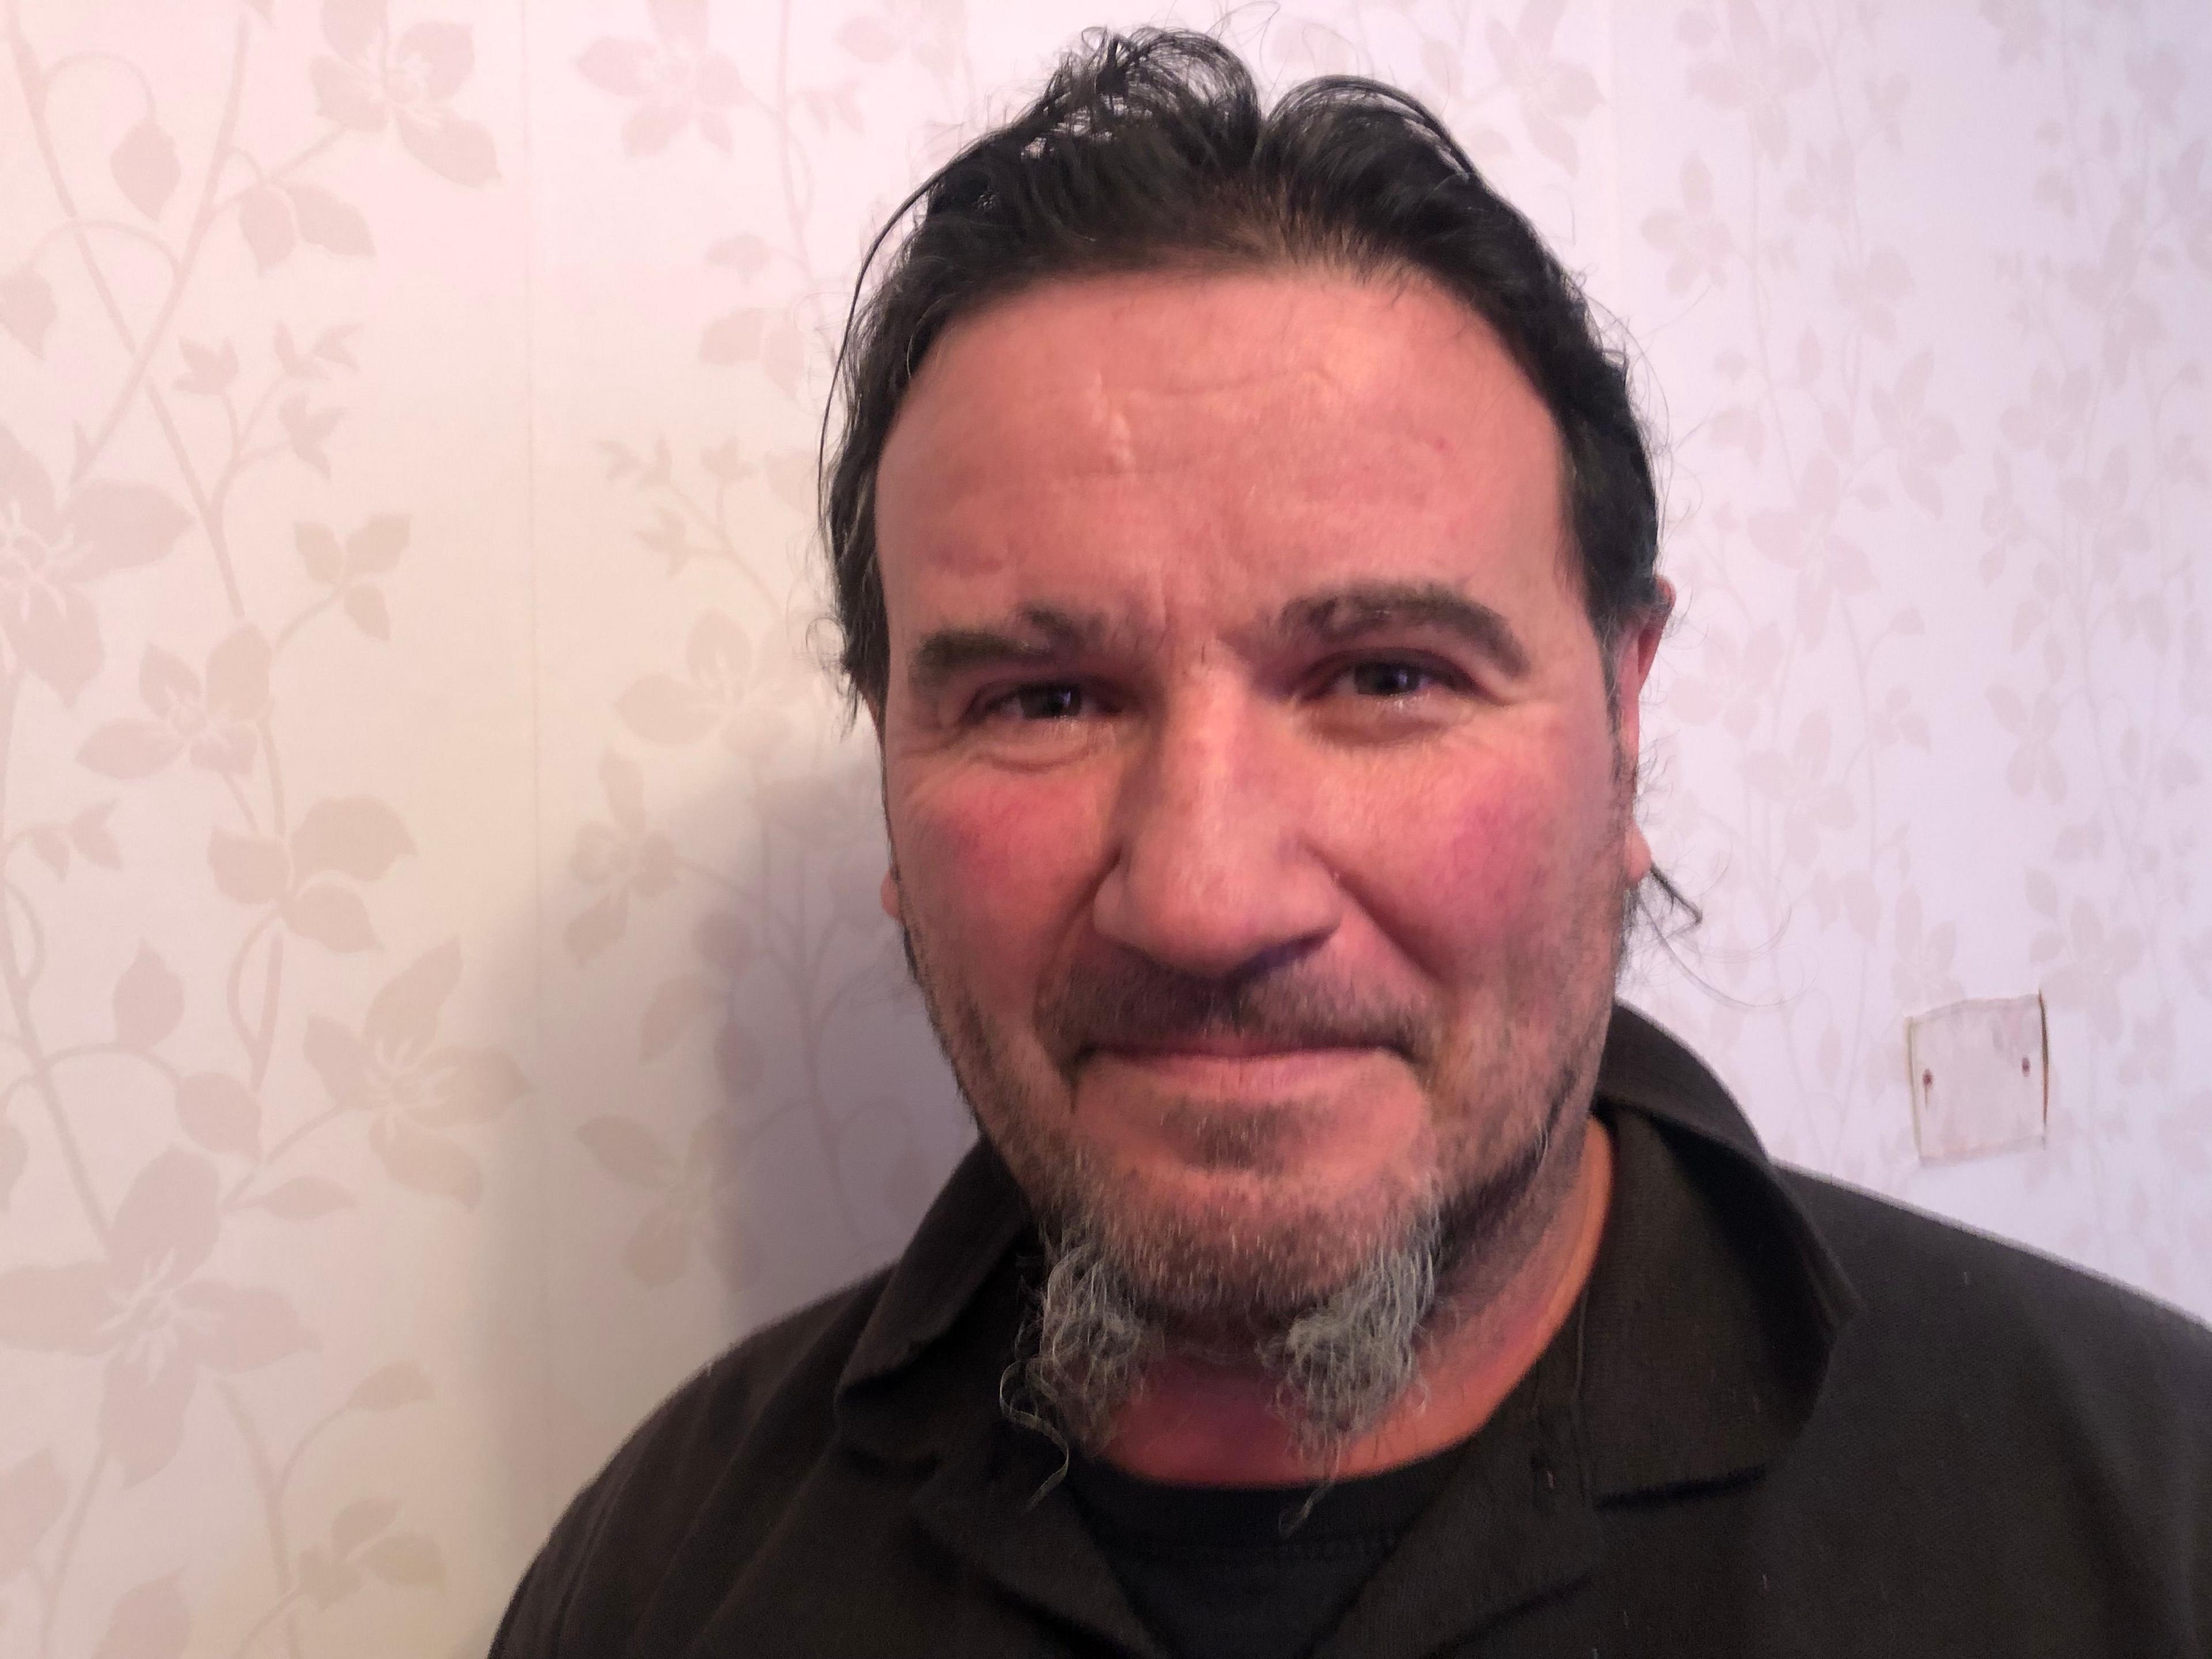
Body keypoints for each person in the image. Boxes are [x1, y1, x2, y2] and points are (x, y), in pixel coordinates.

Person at [490, 29, 2210, 1658]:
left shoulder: (2144, 1522)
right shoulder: (662, 1582)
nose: (1204, 897)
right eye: (1041, 702)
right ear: (890, 778)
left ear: (1624, 730)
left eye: (1386, 677)